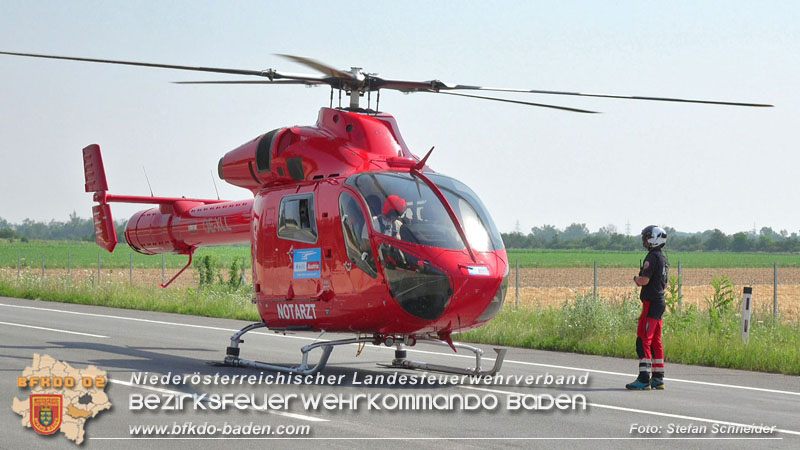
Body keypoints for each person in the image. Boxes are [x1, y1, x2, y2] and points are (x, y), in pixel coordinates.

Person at [626, 225, 669, 391]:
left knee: (644, 339)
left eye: (647, 237)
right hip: (659, 302)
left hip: (651, 304)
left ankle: (644, 379)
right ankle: (658, 378)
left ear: (654, 238)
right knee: (656, 341)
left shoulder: (652, 257)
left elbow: (645, 280)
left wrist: (636, 278)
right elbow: (663, 282)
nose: (644, 240)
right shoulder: (664, 258)